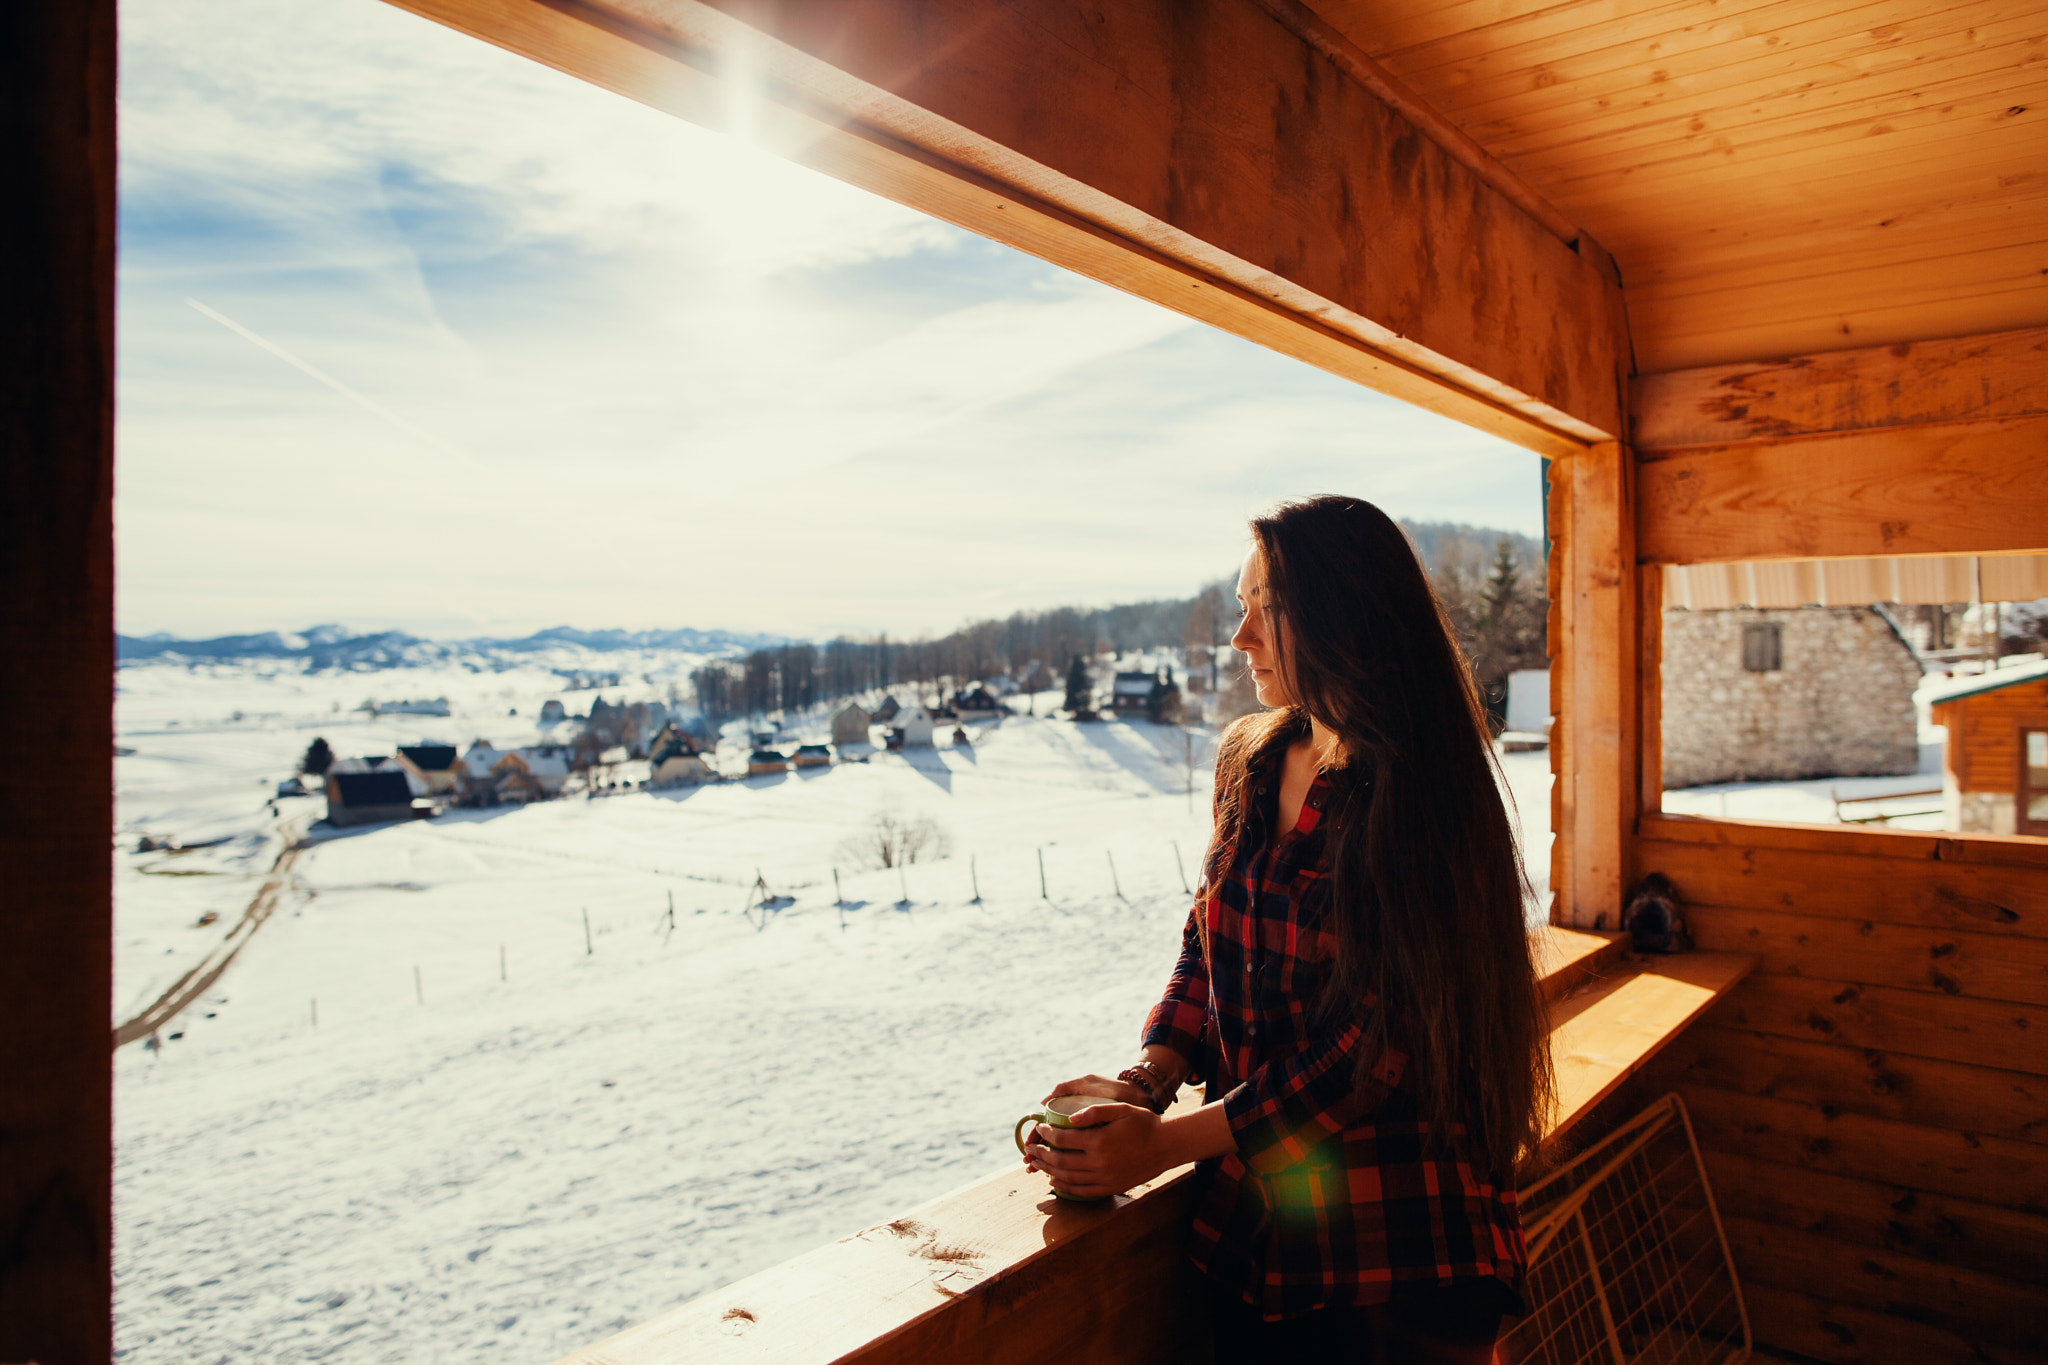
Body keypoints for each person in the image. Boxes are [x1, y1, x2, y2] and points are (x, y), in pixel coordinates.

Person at [1021, 495, 1552, 1360]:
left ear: (1344, 612)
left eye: (1267, 609)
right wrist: (1147, 1079)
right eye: (1241, 608)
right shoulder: (1250, 759)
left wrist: (1163, 1146)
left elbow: (1375, 1050)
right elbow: (1208, 939)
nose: (1241, 639)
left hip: (1402, 1257)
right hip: (1249, 1249)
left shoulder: (1422, 794)